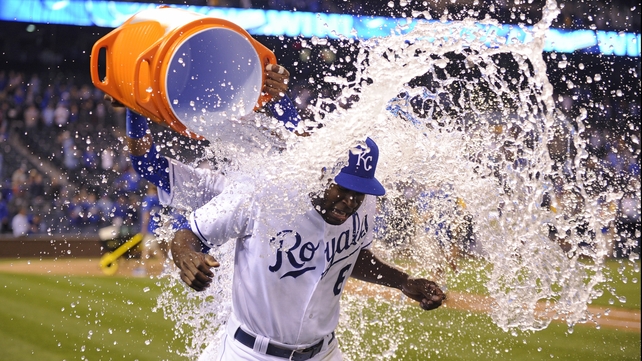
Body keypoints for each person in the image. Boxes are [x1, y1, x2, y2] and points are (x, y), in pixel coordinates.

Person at [111, 64, 445, 361]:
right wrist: (135, 104)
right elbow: (154, 175)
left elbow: (346, 254)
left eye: (358, 192)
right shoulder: (245, 188)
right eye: (344, 189)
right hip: (251, 348)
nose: (351, 200)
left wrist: (403, 282)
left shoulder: (355, 198)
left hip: (323, 350)